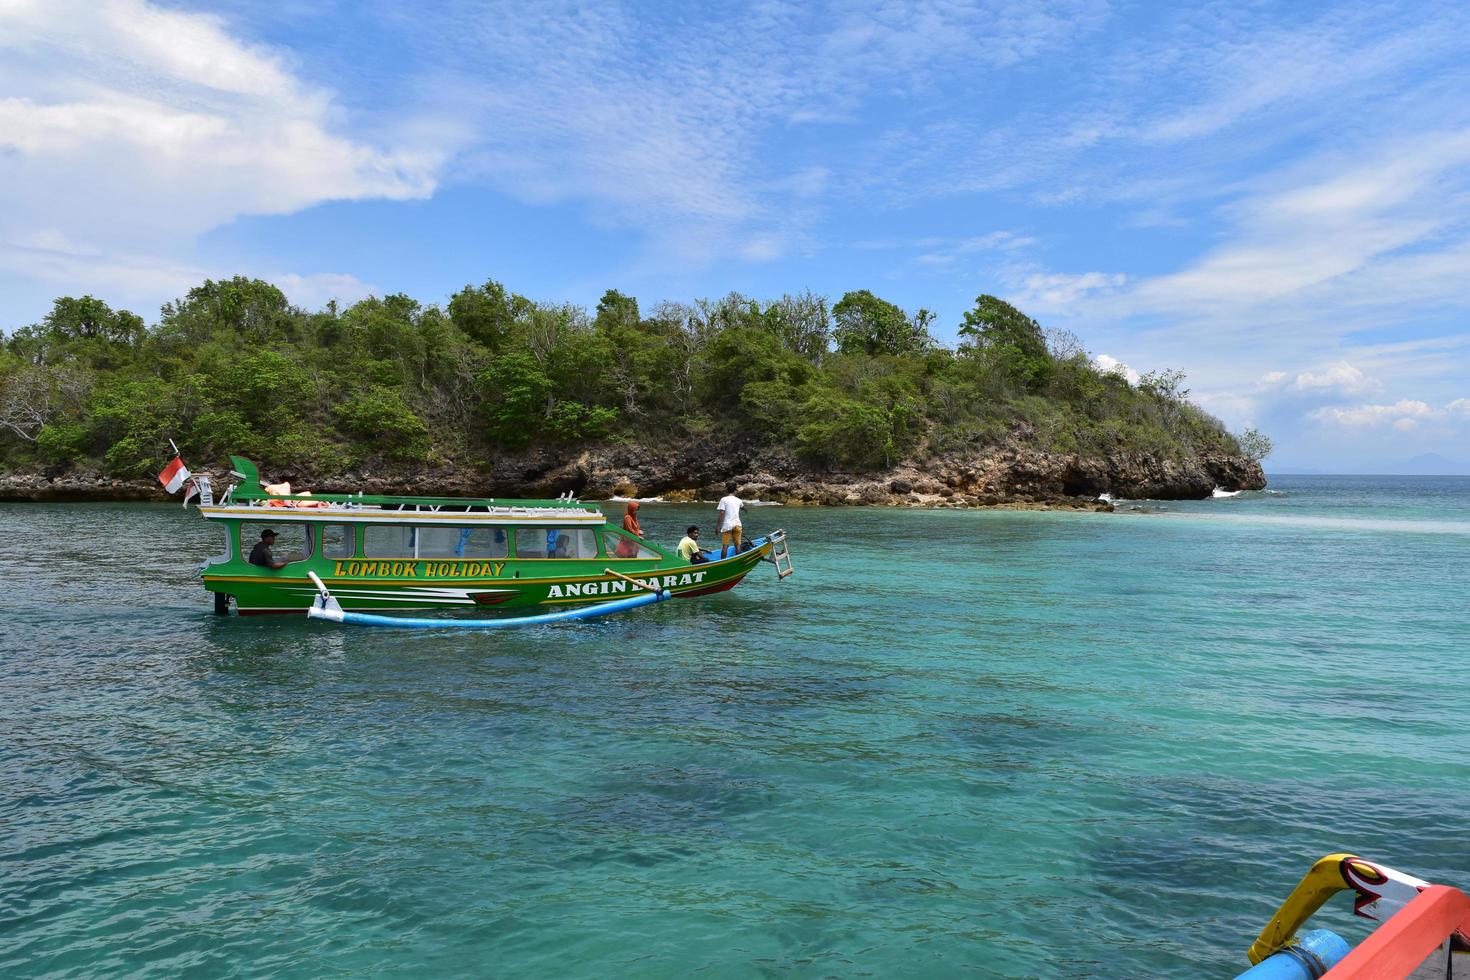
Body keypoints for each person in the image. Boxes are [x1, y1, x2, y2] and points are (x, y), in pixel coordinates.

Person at [716, 483, 743, 558]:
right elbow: (742, 506)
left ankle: (722, 563)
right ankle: (739, 561)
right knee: (738, 545)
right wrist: (745, 509)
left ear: (727, 491)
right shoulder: (739, 500)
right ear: (735, 491)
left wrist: (718, 526)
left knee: (725, 546)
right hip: (737, 525)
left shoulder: (724, 499)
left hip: (727, 525)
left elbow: (721, 513)